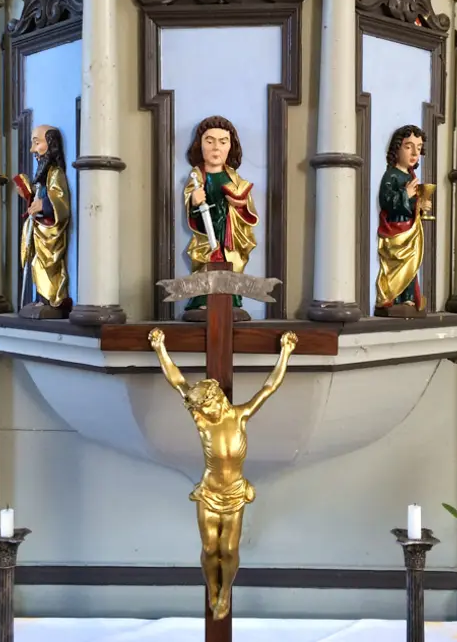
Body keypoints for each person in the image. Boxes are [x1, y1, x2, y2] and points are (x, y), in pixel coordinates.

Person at [148, 326, 298, 620]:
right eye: (203, 408)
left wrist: (286, 352)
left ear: (217, 397)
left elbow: (269, 387)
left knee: (228, 549)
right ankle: (212, 589)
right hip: (209, 492)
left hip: (235, 492)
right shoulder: (202, 421)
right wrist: (159, 348)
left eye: (209, 405)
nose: (207, 411)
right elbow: (177, 381)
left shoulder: (240, 416)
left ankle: (226, 591)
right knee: (208, 549)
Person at [183, 116, 258, 315]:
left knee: (229, 263)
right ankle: (202, 300)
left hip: (229, 231)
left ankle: (230, 300)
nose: (216, 148)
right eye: (210, 141)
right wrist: (193, 200)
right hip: (206, 231)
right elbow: (190, 202)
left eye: (223, 142)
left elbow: (248, 206)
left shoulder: (235, 179)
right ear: (200, 145)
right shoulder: (197, 176)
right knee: (206, 263)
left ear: (231, 147)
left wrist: (239, 205)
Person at [13, 124, 71, 317]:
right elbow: (38, 199)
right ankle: (40, 299)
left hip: (50, 233)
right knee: (36, 264)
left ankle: (52, 300)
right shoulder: (43, 175)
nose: (32, 150)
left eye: (36, 143)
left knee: (48, 265)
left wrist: (44, 204)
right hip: (39, 229)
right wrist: (27, 194)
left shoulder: (56, 173)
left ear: (51, 144)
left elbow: (60, 201)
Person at [375, 124, 431, 316]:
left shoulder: (411, 175)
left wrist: (421, 206)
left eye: (419, 148)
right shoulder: (391, 175)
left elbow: (412, 204)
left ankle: (408, 298)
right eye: (408, 147)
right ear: (396, 149)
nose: (415, 153)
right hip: (396, 228)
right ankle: (393, 297)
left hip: (410, 229)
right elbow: (386, 200)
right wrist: (406, 194)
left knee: (412, 264)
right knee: (398, 264)